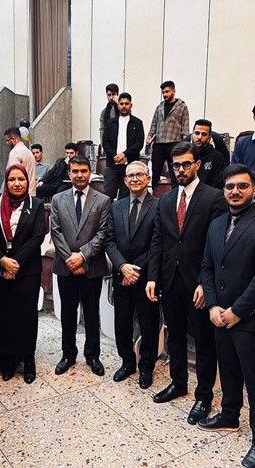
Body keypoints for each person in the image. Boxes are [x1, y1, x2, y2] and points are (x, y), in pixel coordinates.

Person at [198, 164, 255, 468]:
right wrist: (213, 306)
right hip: (219, 314)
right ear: (224, 190)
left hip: (248, 319)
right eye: (230, 186)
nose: (235, 191)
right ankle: (229, 415)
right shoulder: (217, 223)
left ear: (253, 190)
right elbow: (207, 267)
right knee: (229, 370)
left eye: (242, 186)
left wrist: (237, 312)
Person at [146, 141, 226, 425]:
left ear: (197, 165)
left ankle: (203, 395)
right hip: (170, 280)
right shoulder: (165, 200)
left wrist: (206, 282)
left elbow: (216, 246)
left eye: (185, 164)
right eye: (176, 165)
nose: (180, 170)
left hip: (198, 284)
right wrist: (153, 277)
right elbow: (158, 240)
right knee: (175, 336)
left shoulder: (214, 197)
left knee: (203, 341)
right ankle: (178, 383)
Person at [50, 155, 111, 376]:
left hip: (91, 266)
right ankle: (68, 354)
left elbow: (103, 233)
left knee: (92, 313)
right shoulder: (58, 199)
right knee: (68, 313)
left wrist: (82, 256)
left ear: (90, 173)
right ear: (69, 173)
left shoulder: (103, 200)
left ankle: (93, 356)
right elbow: (55, 231)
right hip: (65, 266)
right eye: (75, 171)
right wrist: (71, 258)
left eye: (83, 171)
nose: (79, 175)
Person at [0, 164, 45, 384]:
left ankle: (28, 359)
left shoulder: (36, 204)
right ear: (6, 182)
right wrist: (2, 260)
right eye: (12, 179)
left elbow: (37, 236)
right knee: (5, 315)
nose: (17, 183)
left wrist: (16, 263)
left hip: (27, 269)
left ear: (27, 181)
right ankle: (9, 359)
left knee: (26, 316)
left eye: (21, 179)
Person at [105, 161, 159, 389]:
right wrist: (122, 266)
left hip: (146, 277)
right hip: (121, 275)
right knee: (122, 321)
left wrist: (135, 269)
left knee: (148, 324)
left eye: (140, 175)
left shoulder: (159, 205)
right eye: (131, 176)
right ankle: (127, 362)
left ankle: (146, 366)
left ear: (148, 178)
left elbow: (158, 243)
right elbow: (109, 240)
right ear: (125, 181)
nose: (135, 179)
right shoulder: (116, 206)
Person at [146, 81, 190, 188]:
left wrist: (184, 145)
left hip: (174, 143)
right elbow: (154, 124)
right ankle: (154, 193)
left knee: (174, 172)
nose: (165, 94)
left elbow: (185, 127)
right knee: (155, 171)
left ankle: (176, 193)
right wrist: (149, 136)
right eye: (163, 92)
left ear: (173, 91)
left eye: (167, 91)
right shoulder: (159, 107)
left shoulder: (182, 106)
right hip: (159, 144)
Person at [102, 92, 145, 200]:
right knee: (107, 195)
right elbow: (105, 142)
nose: (124, 106)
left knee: (126, 197)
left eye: (126, 103)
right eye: (121, 104)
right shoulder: (110, 123)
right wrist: (115, 156)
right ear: (118, 105)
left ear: (131, 105)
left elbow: (139, 143)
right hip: (112, 164)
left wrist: (124, 154)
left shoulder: (137, 123)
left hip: (129, 166)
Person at [184, 119, 228, 189]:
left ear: (209, 138)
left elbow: (218, 185)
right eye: (197, 133)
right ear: (192, 135)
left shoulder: (217, 157)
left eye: (204, 134)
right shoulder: (183, 154)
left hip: (209, 194)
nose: (199, 137)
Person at [4, 127, 36, 195]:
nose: (7, 143)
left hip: (19, 194)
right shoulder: (28, 152)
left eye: (7, 140)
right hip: (31, 192)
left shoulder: (15, 152)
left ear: (14, 139)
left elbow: (13, 175)